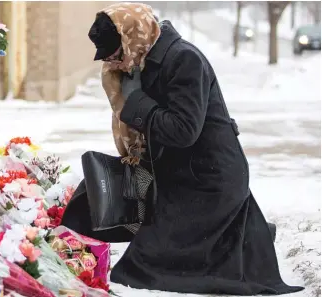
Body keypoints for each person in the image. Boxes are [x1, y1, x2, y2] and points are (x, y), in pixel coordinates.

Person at [61, 3, 304, 295]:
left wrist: (136, 100)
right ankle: (243, 234)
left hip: (208, 180)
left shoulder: (184, 60)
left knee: (139, 269)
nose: (116, 64)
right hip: (178, 173)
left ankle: (242, 236)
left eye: (117, 55)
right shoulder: (143, 59)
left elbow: (183, 131)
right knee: (86, 200)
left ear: (132, 38)